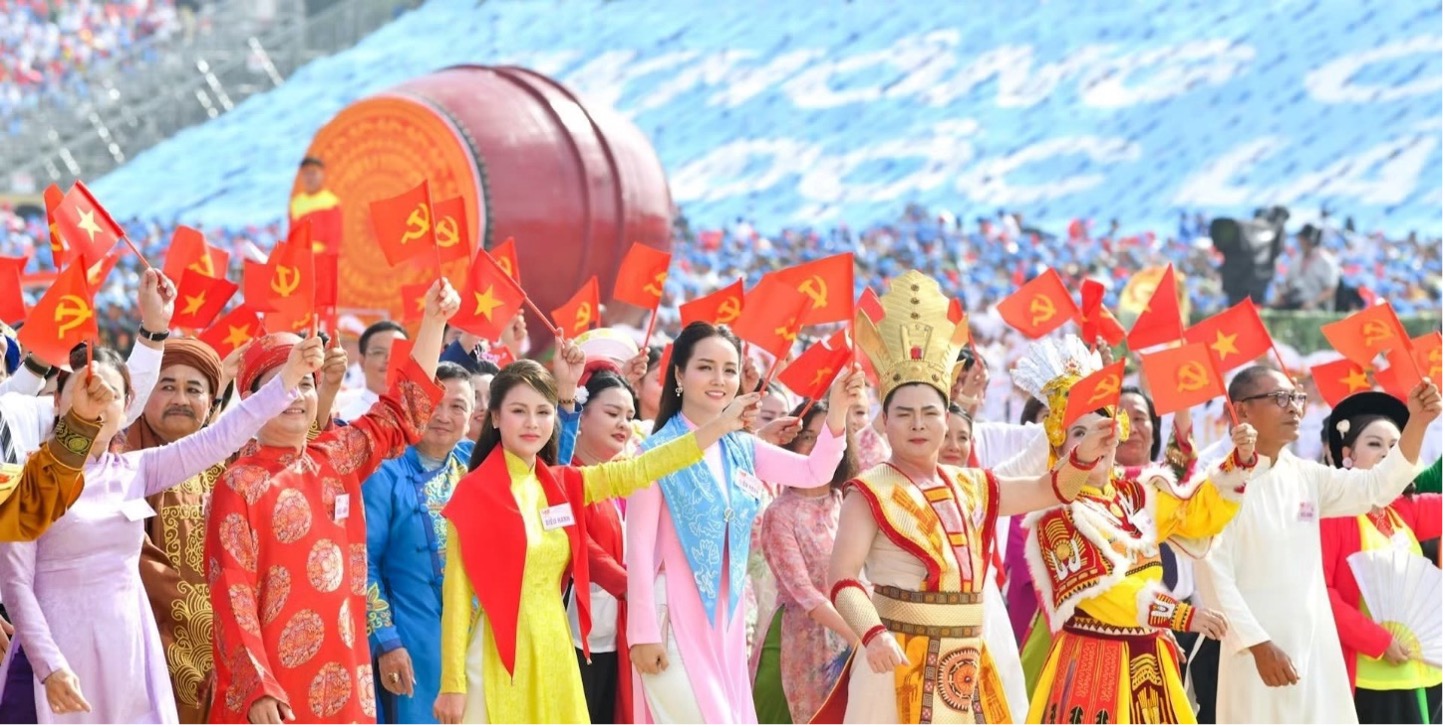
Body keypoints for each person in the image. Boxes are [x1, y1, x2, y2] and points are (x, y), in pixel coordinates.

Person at [815, 271, 1120, 724]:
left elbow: (1049, 489)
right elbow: (842, 578)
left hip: (968, 663)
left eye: (929, 413)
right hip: (895, 658)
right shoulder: (869, 490)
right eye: (904, 414)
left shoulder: (972, 484)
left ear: (947, 420)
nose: (918, 424)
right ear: (886, 421)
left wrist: (1084, 456)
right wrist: (873, 633)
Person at [432, 345, 760, 725]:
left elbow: (641, 469)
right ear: (495, 417)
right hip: (497, 656)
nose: (532, 423)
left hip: (555, 652)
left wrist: (720, 425)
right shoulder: (475, 493)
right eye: (518, 411)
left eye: (543, 412)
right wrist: (452, 684)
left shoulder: (560, 484)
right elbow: (457, 596)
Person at [0, 337, 320, 724]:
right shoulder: (26, 479)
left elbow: (221, 436)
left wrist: (288, 378)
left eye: (110, 393)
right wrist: (49, 666)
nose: (97, 402)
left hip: (128, 653)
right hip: (53, 654)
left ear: (127, 406)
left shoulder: (136, 470)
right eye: (86, 390)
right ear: (57, 400)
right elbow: (16, 585)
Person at [206, 279, 459, 724]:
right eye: (280, 384)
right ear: (251, 399)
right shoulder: (237, 485)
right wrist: (257, 687)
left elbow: (402, 409)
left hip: (345, 677)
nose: (296, 395)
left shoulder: (337, 457)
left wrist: (434, 321)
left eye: (305, 383)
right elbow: (233, 593)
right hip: (273, 690)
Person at [625, 321, 863, 724]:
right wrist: (642, 633)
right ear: (679, 374)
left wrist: (837, 411)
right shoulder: (654, 453)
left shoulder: (741, 447)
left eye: (729, 369)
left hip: (728, 621)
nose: (719, 379)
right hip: (672, 622)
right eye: (706, 367)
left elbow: (814, 472)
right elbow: (638, 548)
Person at [1015, 336, 1259, 724]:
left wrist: (1239, 463)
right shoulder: (1055, 513)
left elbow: (1193, 514)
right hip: (1095, 665)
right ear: (1059, 447)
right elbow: (1106, 592)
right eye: (1078, 434)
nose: (1093, 443)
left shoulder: (1134, 493)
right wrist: (1180, 616)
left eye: (1101, 428)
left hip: (1152, 658)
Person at [1196, 366, 1441, 724]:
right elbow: (1213, 577)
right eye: (1280, 398)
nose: (1294, 407)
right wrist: (1257, 644)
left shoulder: (1306, 475)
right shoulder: (1219, 484)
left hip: (1317, 652)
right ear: (1242, 410)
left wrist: (1417, 422)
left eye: (1296, 397)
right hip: (1254, 658)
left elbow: (1376, 489)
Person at [127, 338, 236, 724]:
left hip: (229, 648)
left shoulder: (228, 468)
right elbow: (130, 551)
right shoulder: (124, 462)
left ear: (211, 403)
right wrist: (196, 617)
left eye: (194, 390)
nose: (181, 399)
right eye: (167, 386)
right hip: (144, 645)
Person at [362, 362, 475, 724]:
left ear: (472, 417)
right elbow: (363, 562)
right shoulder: (385, 471)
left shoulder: (474, 466)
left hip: (473, 645)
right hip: (411, 646)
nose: (443, 416)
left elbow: (547, 475)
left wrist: (567, 402)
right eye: (434, 403)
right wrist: (387, 641)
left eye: (457, 406)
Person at [1319, 392, 1442, 724]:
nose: (1388, 454)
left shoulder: (1403, 509)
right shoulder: (1334, 514)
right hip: (1371, 677)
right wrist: (1378, 641)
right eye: (1375, 444)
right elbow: (1322, 593)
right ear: (1347, 455)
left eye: (1395, 446)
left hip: (1426, 673)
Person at [752, 400, 858, 724]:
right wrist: (860, 634)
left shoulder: (848, 504)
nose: (817, 447)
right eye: (808, 437)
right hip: (795, 644)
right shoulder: (780, 513)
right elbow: (804, 593)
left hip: (849, 642)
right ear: (792, 444)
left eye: (826, 437)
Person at [564, 365, 639, 724]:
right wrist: (629, 586)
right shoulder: (565, 474)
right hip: (573, 634)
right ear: (581, 416)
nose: (624, 424)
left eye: (630, 416)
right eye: (612, 413)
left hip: (616, 632)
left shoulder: (621, 482)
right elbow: (577, 542)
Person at [339, 320, 408, 422]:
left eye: (398, 352)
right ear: (362, 362)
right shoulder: (343, 418)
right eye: (379, 352)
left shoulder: (422, 418)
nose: (389, 359)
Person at [1274, 224, 1340, 312]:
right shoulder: (1296, 259)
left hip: (1318, 309)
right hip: (1294, 305)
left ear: (1310, 241)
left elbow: (1330, 291)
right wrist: (1281, 297)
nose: (1300, 241)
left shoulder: (1327, 261)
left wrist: (1313, 302)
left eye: (1303, 239)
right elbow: (1288, 284)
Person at [289, 157, 343, 255]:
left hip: (321, 258)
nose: (310, 178)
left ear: (322, 174)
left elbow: (334, 240)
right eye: (306, 173)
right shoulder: (295, 204)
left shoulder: (330, 202)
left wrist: (326, 261)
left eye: (313, 173)